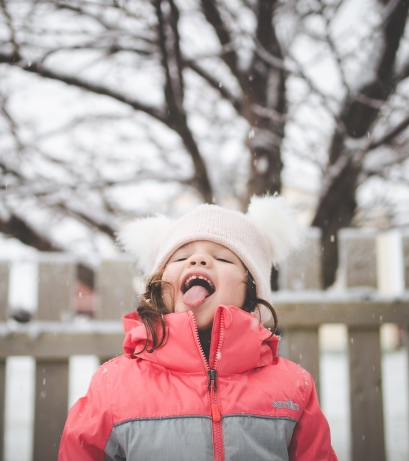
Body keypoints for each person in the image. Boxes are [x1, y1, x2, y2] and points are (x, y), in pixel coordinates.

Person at [58, 196, 337, 460]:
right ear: (159, 287)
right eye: (181, 258)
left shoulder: (293, 386)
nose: (198, 260)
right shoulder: (112, 385)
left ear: (251, 290)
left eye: (224, 258)